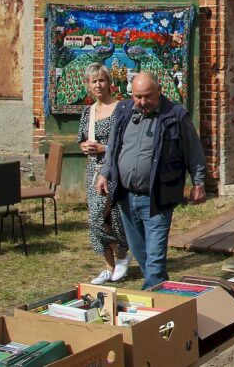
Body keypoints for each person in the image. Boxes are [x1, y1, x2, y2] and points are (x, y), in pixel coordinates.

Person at [96, 71, 206, 289]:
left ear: (159, 91)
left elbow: (194, 151)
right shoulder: (124, 110)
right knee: (141, 253)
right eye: (137, 96)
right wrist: (104, 172)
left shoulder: (175, 116)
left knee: (154, 259)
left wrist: (199, 183)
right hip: (127, 196)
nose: (142, 102)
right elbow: (114, 146)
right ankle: (161, 296)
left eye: (147, 96)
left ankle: (151, 306)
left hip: (157, 197)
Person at [77, 63, 131, 284]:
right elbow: (81, 138)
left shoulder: (121, 109)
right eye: (94, 81)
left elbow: (130, 143)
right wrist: (84, 146)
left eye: (102, 80)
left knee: (108, 216)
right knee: (99, 219)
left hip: (116, 170)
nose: (98, 85)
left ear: (109, 83)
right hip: (93, 170)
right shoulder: (88, 111)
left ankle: (123, 255)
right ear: (88, 86)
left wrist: (104, 148)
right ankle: (110, 265)